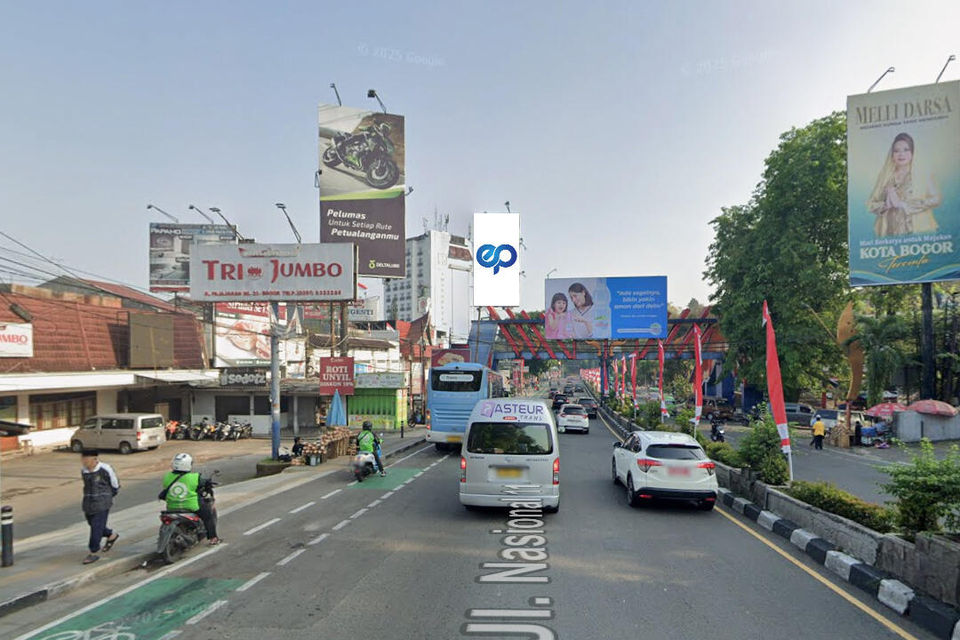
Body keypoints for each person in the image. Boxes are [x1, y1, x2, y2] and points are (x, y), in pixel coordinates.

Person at [867, 132, 942, 237]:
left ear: (912, 152)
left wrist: (905, 205)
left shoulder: (923, 174)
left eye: (906, 150)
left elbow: (936, 199)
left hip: (918, 231)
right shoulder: (885, 177)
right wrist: (885, 206)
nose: (901, 154)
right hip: (891, 232)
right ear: (892, 154)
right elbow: (871, 203)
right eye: (896, 151)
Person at [159, 453, 220, 545]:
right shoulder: (194, 477)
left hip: (171, 508)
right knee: (208, 515)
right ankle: (213, 538)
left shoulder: (167, 476)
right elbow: (204, 483)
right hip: (190, 507)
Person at [80, 449, 120, 564]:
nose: (85, 462)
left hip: (102, 502)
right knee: (93, 524)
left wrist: (107, 497)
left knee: (96, 528)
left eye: (87, 459)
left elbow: (115, 484)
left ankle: (94, 552)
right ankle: (111, 535)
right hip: (88, 503)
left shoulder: (105, 469)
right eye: (83, 460)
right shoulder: (84, 471)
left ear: (95, 459)